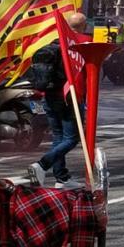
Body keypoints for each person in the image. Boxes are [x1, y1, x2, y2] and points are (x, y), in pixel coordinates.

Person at [28, 11, 90, 188]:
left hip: (50, 96)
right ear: (83, 26)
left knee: (58, 137)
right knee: (72, 138)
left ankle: (61, 178)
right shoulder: (79, 45)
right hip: (68, 97)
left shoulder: (54, 44)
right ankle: (42, 164)